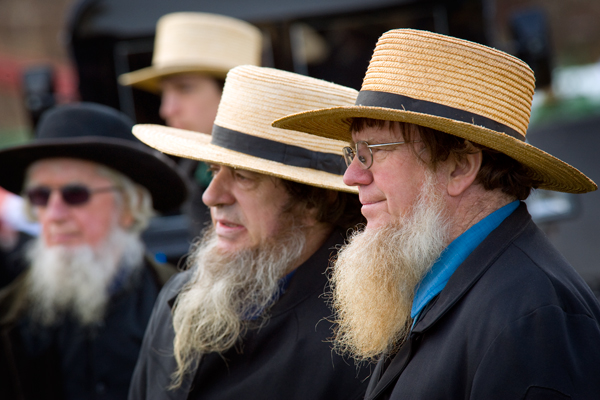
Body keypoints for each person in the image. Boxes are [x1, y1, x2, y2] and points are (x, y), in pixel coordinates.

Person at [273, 29, 600, 399]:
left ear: (459, 167)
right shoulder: (454, 282)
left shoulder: (531, 316)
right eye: (353, 153)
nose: (351, 176)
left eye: (371, 152)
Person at [128, 65, 370, 399]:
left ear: (315, 201)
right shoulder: (180, 294)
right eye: (213, 169)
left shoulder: (356, 338)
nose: (211, 196)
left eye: (243, 177)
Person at [0, 102, 188, 400]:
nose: (54, 214)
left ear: (129, 206)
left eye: (75, 194)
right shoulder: (8, 319)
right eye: (41, 196)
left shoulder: (188, 312)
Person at [119, 12, 263, 234]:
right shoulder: (190, 176)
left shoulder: (281, 175)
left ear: (235, 93)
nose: (167, 109)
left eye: (184, 88)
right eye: (163, 93)